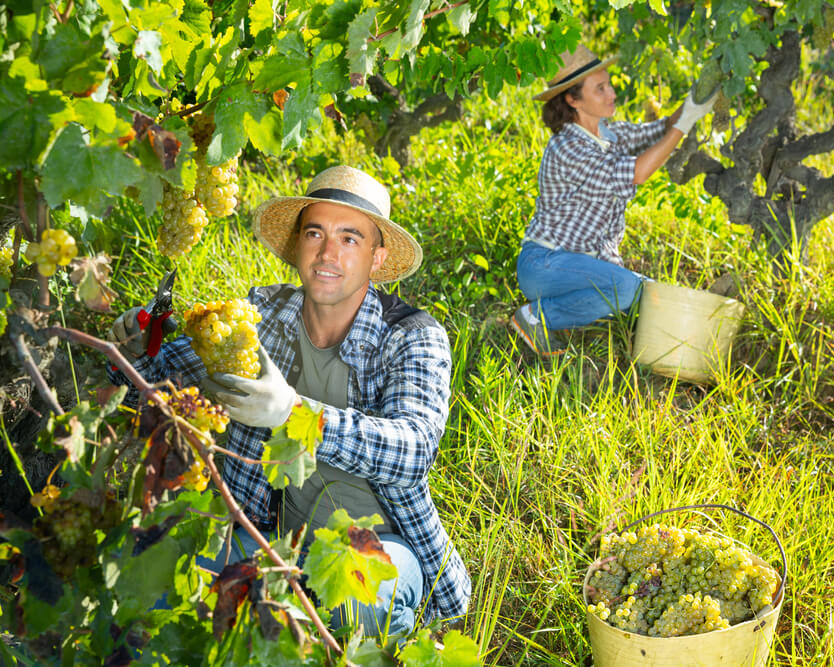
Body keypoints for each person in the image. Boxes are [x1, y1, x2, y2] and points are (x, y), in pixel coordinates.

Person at [108, 165, 470, 635]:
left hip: (376, 544)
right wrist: (136, 348)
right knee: (144, 567)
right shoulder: (265, 311)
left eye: (350, 239)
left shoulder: (411, 336)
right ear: (299, 243)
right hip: (265, 536)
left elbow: (413, 449)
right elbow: (174, 374)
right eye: (316, 232)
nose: (327, 253)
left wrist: (295, 414)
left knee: (359, 604)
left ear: (378, 259)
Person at [510, 45, 719, 356]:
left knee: (651, 295)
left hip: (577, 265)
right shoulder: (567, 147)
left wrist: (696, 98)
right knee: (625, 289)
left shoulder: (608, 135)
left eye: (609, 84)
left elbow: (658, 130)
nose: (611, 93)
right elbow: (637, 172)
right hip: (545, 264)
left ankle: (568, 319)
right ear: (573, 99)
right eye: (600, 88)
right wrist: (685, 124)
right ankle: (535, 317)